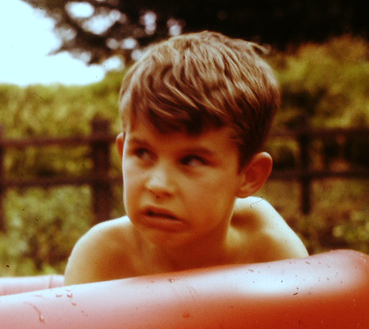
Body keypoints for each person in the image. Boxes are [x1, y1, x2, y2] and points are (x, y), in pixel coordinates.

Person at [64, 31, 308, 285]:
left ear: (249, 175)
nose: (158, 185)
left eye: (191, 160)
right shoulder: (102, 257)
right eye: (143, 153)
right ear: (122, 152)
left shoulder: (271, 251)